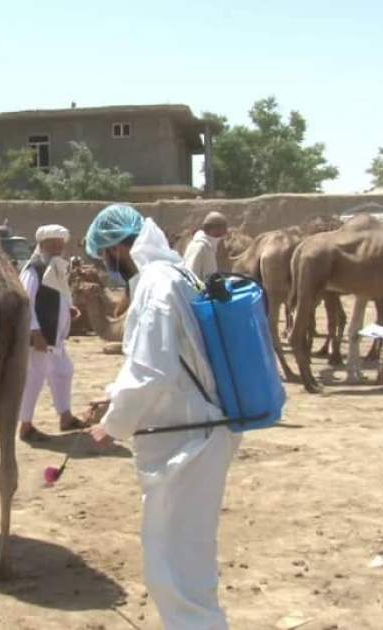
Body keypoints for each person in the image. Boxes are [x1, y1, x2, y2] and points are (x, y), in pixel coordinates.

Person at [84, 204, 240, 629]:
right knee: (185, 563)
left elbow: (152, 371)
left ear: (118, 246)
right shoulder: (174, 275)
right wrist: (113, 396)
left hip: (188, 443)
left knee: (175, 573)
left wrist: (112, 425)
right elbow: (167, 361)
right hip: (196, 431)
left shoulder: (154, 283)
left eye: (104, 255)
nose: (105, 264)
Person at [18, 224, 85, 442]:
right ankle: (25, 426)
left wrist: (68, 310)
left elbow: (59, 295)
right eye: (53, 243)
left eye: (60, 242)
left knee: (64, 371)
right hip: (40, 336)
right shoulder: (34, 269)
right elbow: (26, 302)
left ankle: (65, 417)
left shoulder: (56, 268)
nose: (58, 247)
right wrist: (35, 331)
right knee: (34, 378)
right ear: (43, 244)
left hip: (54, 336)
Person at [182, 211, 228, 281]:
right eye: (223, 228)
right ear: (214, 229)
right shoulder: (199, 246)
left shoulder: (209, 246)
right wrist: (201, 290)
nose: (225, 232)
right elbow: (191, 276)